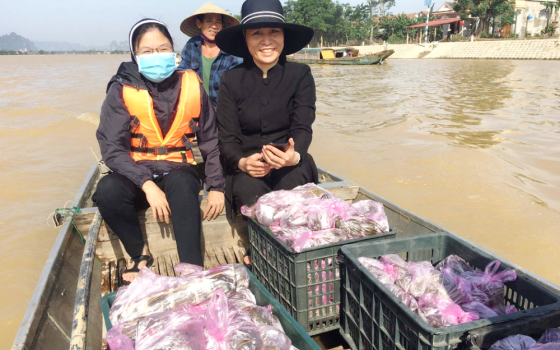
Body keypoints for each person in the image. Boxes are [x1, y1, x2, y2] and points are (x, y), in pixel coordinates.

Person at [93, 19, 225, 283]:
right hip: (136, 174)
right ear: (135, 55)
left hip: (178, 169)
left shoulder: (191, 84)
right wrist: (146, 184)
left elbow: (211, 140)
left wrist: (218, 186)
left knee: (183, 182)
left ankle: (191, 266)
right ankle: (139, 254)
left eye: (163, 49)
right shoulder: (121, 88)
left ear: (173, 50)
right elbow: (111, 148)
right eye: (147, 51)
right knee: (107, 191)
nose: (157, 56)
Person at [215, 0, 319, 219]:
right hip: (248, 163)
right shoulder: (231, 80)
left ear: (283, 36)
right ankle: (259, 248)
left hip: (290, 161)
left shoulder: (300, 75)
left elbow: (302, 126)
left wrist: (294, 154)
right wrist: (242, 163)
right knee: (250, 196)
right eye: (257, 33)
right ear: (245, 39)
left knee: (293, 191)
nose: (267, 40)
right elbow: (227, 137)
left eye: (274, 31)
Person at [178, 4, 243, 110]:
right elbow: (181, 69)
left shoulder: (231, 49)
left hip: (224, 111)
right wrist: (187, 72)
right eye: (209, 21)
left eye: (218, 22)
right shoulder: (192, 45)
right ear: (199, 24)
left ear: (222, 25)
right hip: (197, 110)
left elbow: (239, 81)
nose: (214, 26)